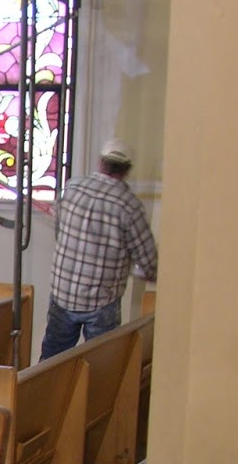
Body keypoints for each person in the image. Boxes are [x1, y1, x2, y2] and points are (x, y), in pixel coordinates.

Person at [42, 140, 158, 360]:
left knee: (52, 361)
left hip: (62, 293)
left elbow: (60, 231)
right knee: (101, 365)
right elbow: (149, 261)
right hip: (101, 300)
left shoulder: (72, 188)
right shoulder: (128, 206)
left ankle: (43, 394)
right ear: (126, 170)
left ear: (100, 163)